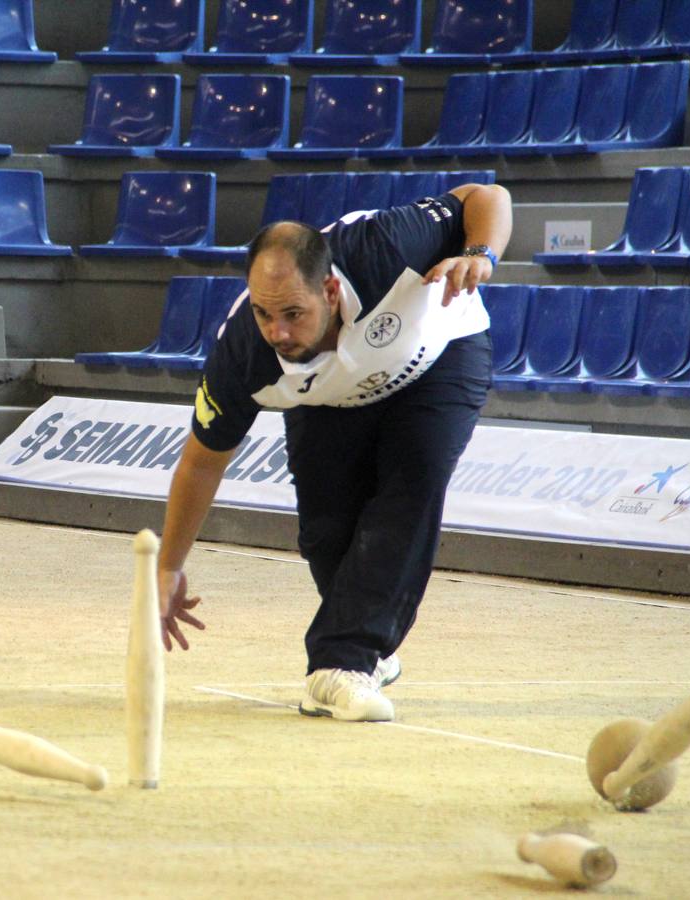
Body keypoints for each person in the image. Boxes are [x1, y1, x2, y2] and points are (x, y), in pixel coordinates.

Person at [155, 183, 513, 722]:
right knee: (326, 533)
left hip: (438, 359)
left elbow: (486, 196)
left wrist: (480, 253)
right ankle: (370, 650)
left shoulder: (383, 246)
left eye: (292, 314)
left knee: (410, 482)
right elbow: (201, 462)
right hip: (328, 397)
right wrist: (168, 569)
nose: (277, 331)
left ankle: (338, 666)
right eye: (263, 314)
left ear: (327, 290)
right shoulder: (243, 356)